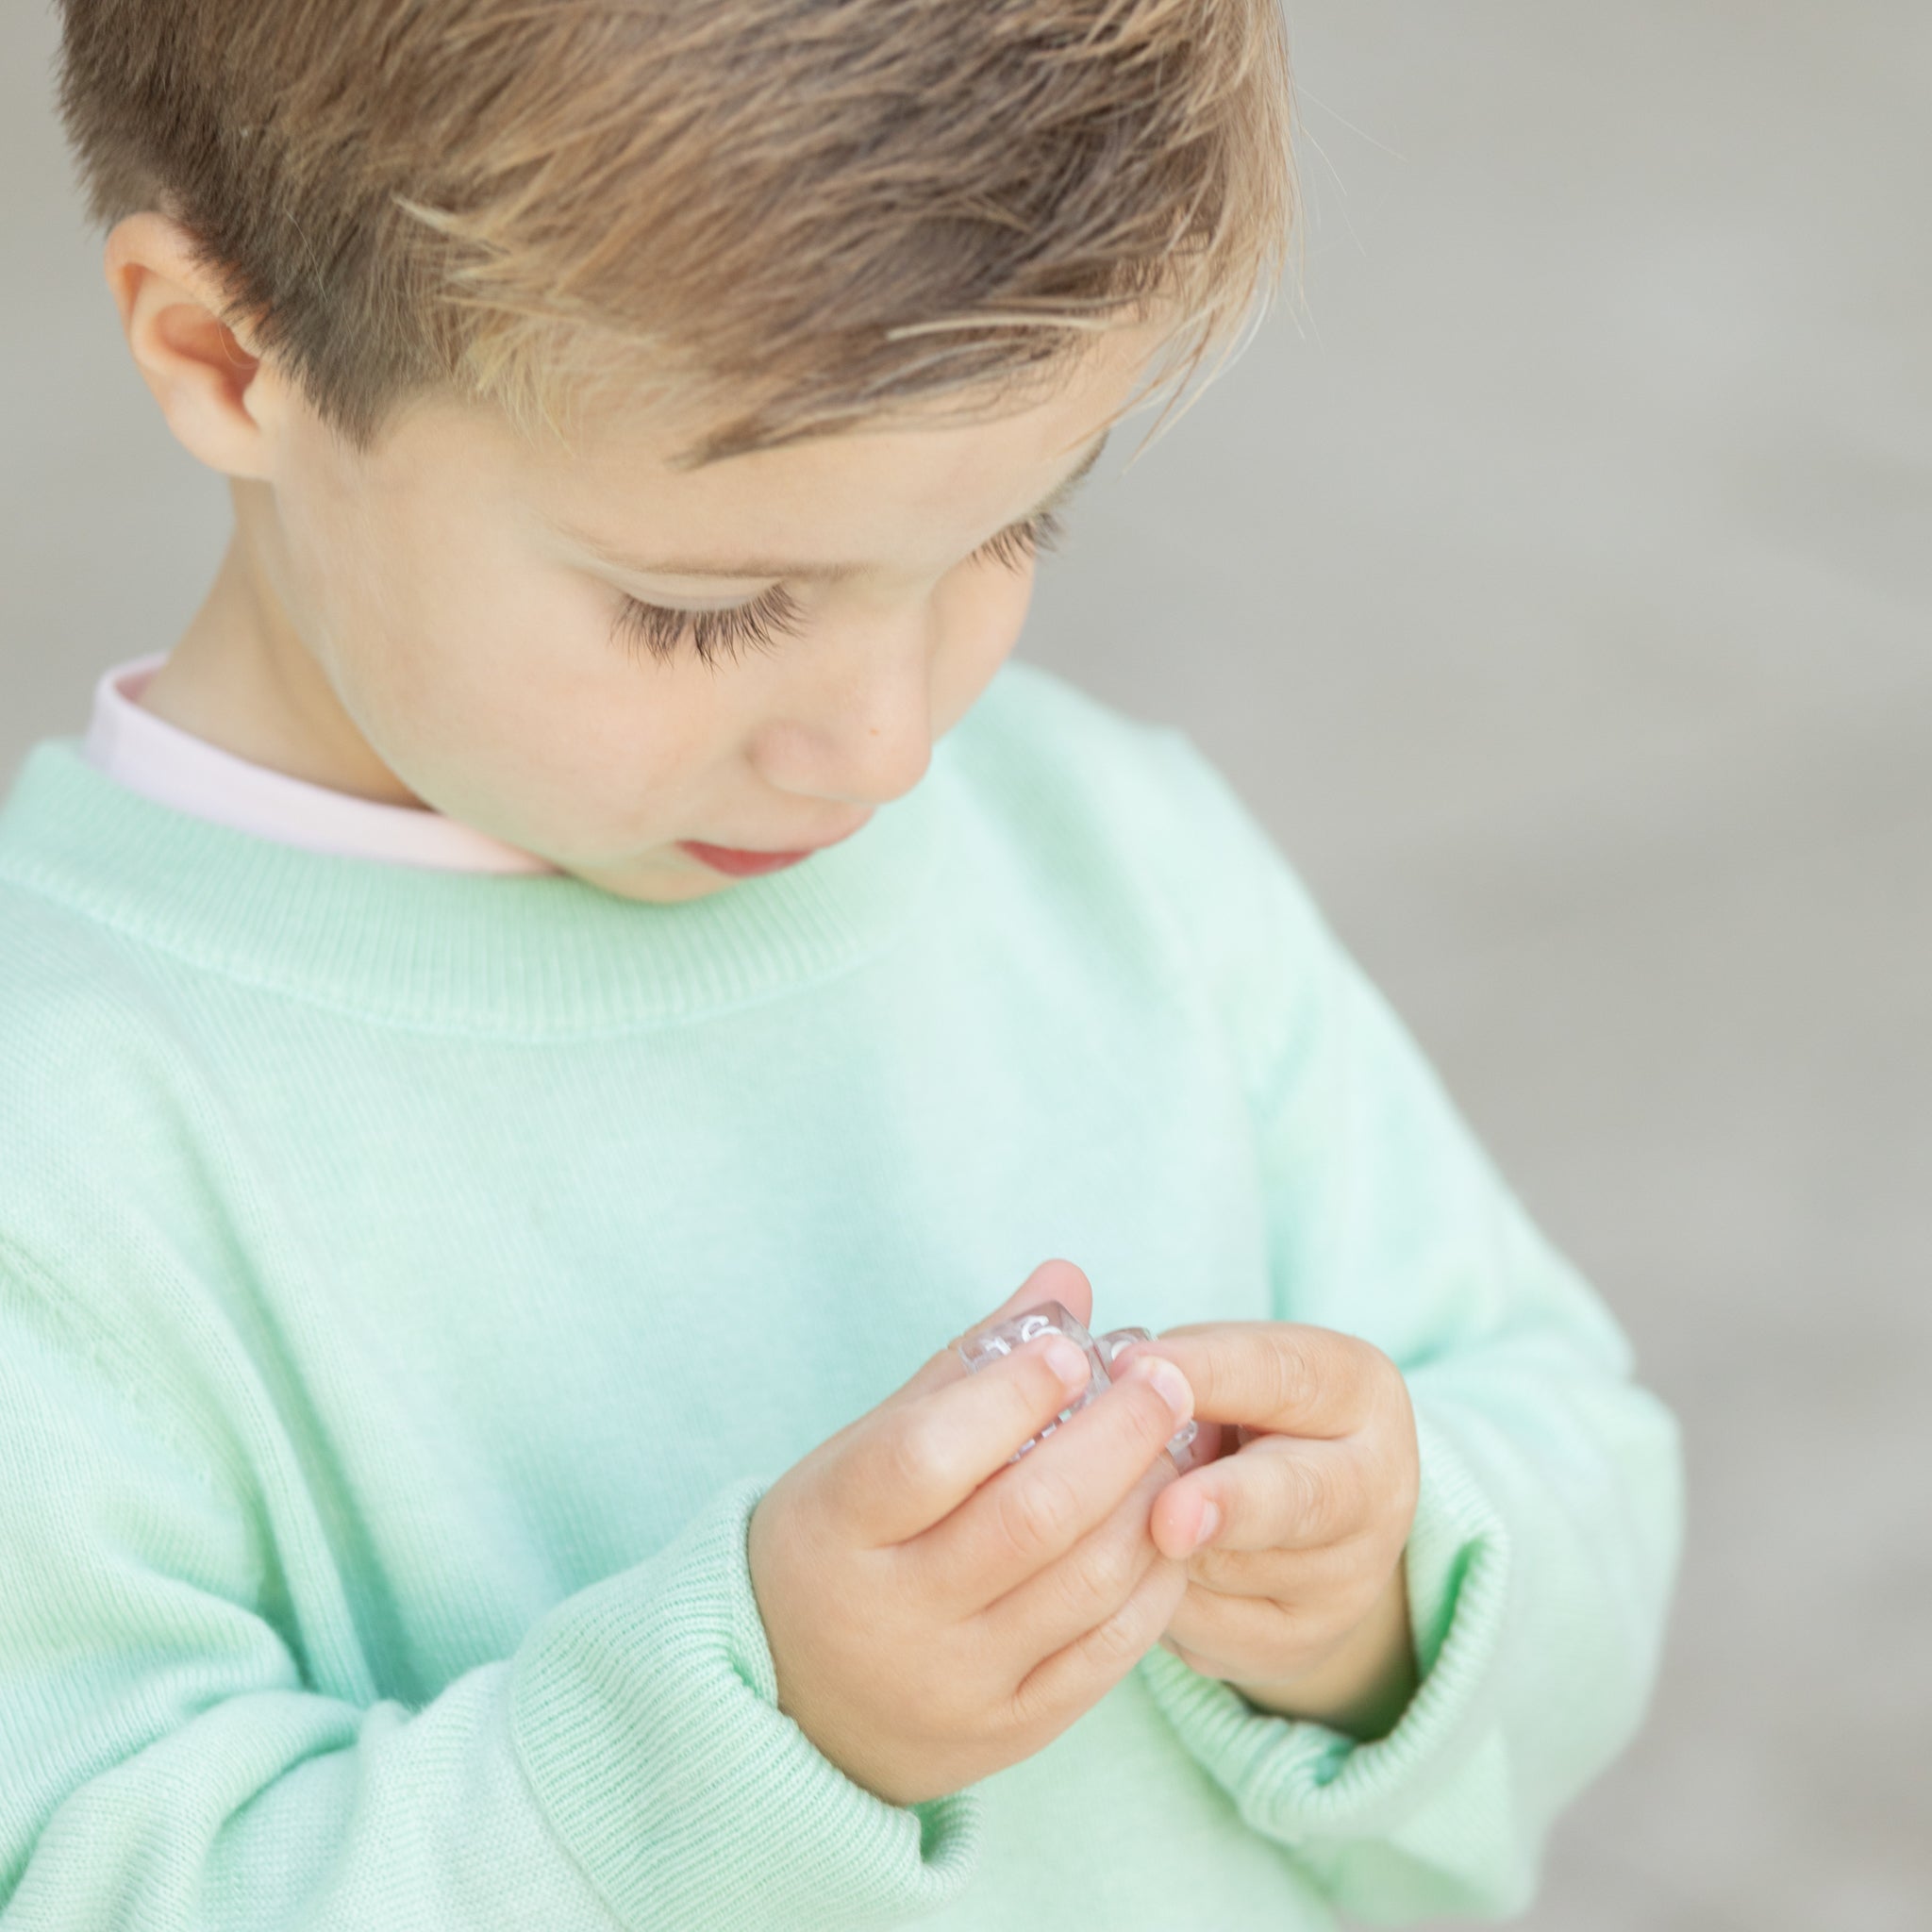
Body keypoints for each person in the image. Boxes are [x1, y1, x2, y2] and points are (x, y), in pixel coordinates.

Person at [0, 3, 1683, 1926]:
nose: (886, 743)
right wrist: (759, 1730)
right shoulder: (62, 1149)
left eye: (1007, 529)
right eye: (702, 610)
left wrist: (1385, 1581)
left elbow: (1577, 1459)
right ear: (227, 354)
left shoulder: (1105, 852)